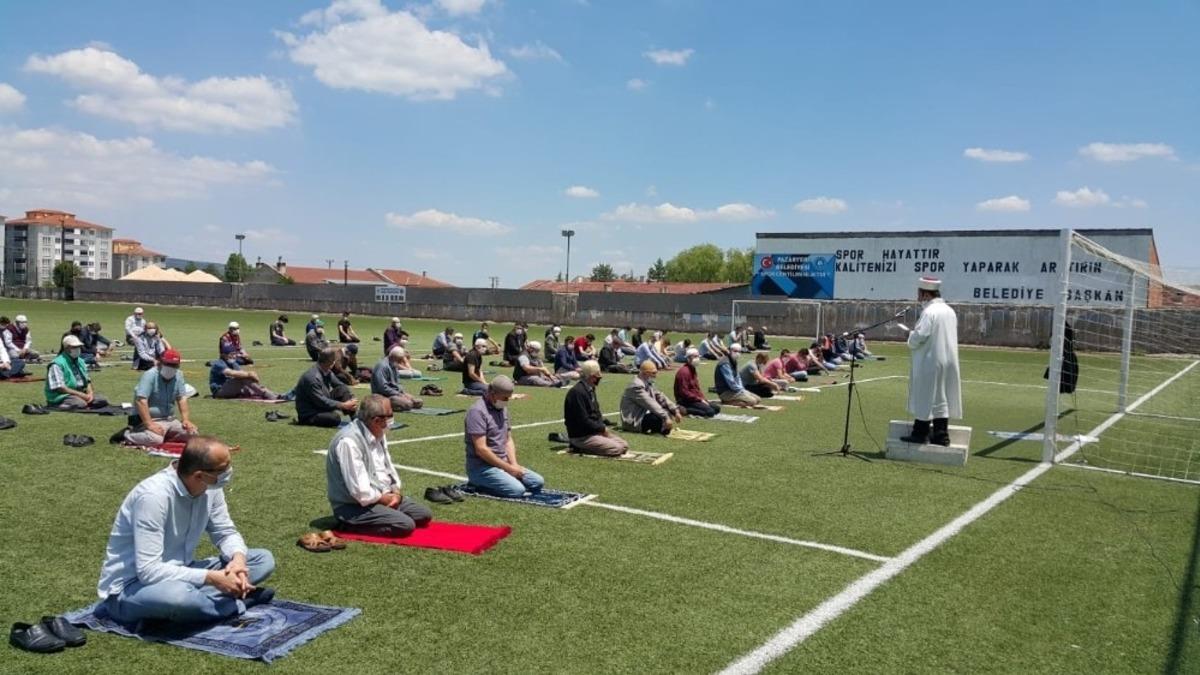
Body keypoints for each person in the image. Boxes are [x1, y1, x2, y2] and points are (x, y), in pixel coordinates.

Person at [97, 436, 274, 625]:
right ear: (199, 475)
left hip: (183, 571)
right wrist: (213, 578)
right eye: (223, 469)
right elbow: (148, 571)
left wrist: (237, 561)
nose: (229, 472)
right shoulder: (153, 497)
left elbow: (225, 532)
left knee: (262, 559)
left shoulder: (211, 486)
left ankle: (202, 602)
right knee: (179, 597)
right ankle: (233, 605)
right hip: (131, 587)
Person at [327, 395, 432, 536]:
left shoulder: (378, 432)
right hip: (353, 505)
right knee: (405, 525)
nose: (391, 419)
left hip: (381, 495)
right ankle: (347, 524)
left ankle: (385, 514)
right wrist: (385, 499)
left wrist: (396, 492)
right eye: (390, 415)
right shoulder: (349, 442)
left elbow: (387, 467)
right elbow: (360, 492)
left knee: (424, 515)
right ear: (377, 420)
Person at [901, 276, 962, 446]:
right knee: (941, 396)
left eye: (919, 294)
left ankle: (920, 433)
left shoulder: (929, 312)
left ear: (926, 294)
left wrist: (909, 336)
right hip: (947, 359)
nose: (918, 297)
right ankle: (941, 434)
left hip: (931, 359)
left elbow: (920, 335)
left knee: (924, 395)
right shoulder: (949, 310)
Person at [465, 376, 545, 497]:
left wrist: (514, 465)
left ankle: (503, 479)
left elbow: (508, 440)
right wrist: (509, 469)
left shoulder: (502, 408)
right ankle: (476, 484)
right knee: (517, 490)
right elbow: (481, 449)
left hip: (503, 463)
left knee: (537, 482)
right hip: (482, 468)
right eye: (504, 398)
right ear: (492, 393)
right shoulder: (477, 412)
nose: (507, 401)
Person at [120, 349, 198, 445]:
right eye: (168, 364)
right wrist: (149, 424)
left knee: (193, 434)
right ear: (160, 363)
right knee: (155, 440)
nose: (171, 368)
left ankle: (164, 436)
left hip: (170, 419)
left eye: (174, 365)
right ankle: (126, 435)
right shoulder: (150, 375)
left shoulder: (179, 375)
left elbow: (181, 398)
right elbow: (141, 401)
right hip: (149, 420)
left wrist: (186, 420)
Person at [563, 361, 629, 456]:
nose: (600, 376)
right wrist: (601, 429)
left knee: (624, 445)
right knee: (617, 449)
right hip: (582, 436)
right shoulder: (577, 393)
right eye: (598, 374)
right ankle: (578, 447)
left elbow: (596, 413)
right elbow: (583, 420)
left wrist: (601, 428)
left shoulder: (590, 389)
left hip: (594, 432)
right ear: (592, 376)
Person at [295, 347, 358, 427]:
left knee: (343, 389)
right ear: (330, 362)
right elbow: (321, 401)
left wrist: (351, 399)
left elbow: (340, 385)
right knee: (335, 418)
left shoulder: (326, 371)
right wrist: (343, 405)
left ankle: (355, 418)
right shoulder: (312, 378)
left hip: (320, 405)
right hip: (310, 413)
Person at [46, 335, 110, 409]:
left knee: (102, 400)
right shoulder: (57, 364)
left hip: (80, 392)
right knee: (80, 404)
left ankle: (83, 402)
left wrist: (90, 393)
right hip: (62, 395)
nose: (77, 349)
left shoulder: (80, 361)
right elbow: (60, 388)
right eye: (74, 347)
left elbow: (88, 380)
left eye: (78, 346)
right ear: (66, 348)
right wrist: (82, 395)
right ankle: (55, 405)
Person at [621, 361, 682, 435]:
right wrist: (665, 417)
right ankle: (661, 429)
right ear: (645, 373)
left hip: (643, 416)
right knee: (658, 418)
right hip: (634, 421)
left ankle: (662, 428)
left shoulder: (648, 382)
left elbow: (661, 397)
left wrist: (675, 410)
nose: (655, 376)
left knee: (667, 412)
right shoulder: (636, 386)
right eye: (653, 373)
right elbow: (650, 403)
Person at [371, 347, 424, 411]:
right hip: (383, 396)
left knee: (418, 402)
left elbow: (397, 383)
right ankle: (386, 405)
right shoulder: (382, 366)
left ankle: (400, 402)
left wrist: (403, 393)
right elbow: (382, 388)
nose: (401, 362)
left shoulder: (394, 365)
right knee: (408, 404)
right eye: (400, 360)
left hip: (395, 393)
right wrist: (398, 394)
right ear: (395, 358)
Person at [209, 352, 280, 400]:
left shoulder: (233, 363)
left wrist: (251, 376)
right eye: (232, 354)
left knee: (248, 382)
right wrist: (249, 374)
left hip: (230, 388)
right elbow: (231, 373)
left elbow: (242, 373)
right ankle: (268, 395)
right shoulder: (218, 364)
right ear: (224, 355)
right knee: (243, 378)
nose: (235, 356)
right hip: (219, 391)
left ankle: (274, 394)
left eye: (235, 354)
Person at [674, 348, 720, 417]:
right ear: (688, 358)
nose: (697, 358)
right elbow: (684, 392)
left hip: (694, 399)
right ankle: (684, 409)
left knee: (716, 408)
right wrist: (700, 400)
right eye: (695, 356)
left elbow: (696, 388)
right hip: (686, 400)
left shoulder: (692, 369)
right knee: (710, 412)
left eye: (698, 356)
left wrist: (703, 399)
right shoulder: (684, 372)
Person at [715, 343, 760, 407]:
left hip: (735, 390)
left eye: (739, 351)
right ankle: (726, 401)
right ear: (730, 351)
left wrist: (742, 389)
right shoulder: (725, 363)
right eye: (735, 351)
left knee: (758, 399)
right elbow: (731, 382)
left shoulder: (734, 361)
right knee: (752, 401)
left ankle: (735, 400)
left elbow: (737, 377)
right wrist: (741, 391)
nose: (737, 353)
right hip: (725, 392)